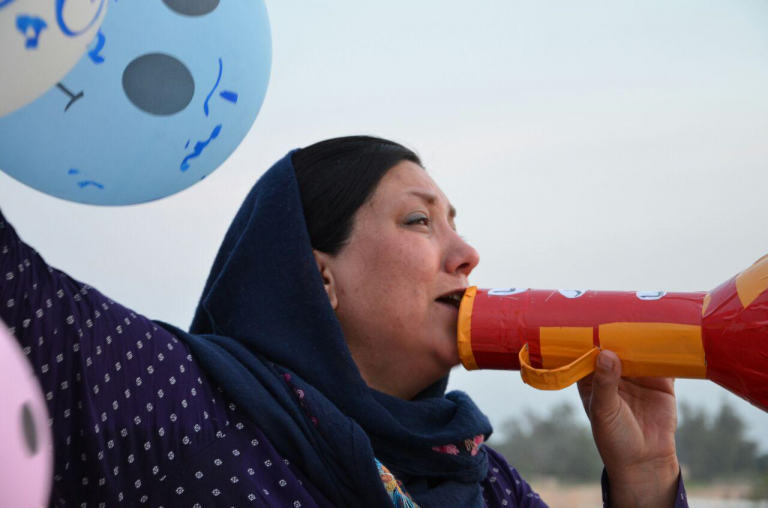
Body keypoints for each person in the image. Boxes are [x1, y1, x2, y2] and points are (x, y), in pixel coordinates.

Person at [0, 136, 688, 507]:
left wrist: (646, 479)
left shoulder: (482, 479)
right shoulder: (184, 399)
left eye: (457, 226)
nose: (468, 255)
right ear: (317, 274)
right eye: (419, 220)